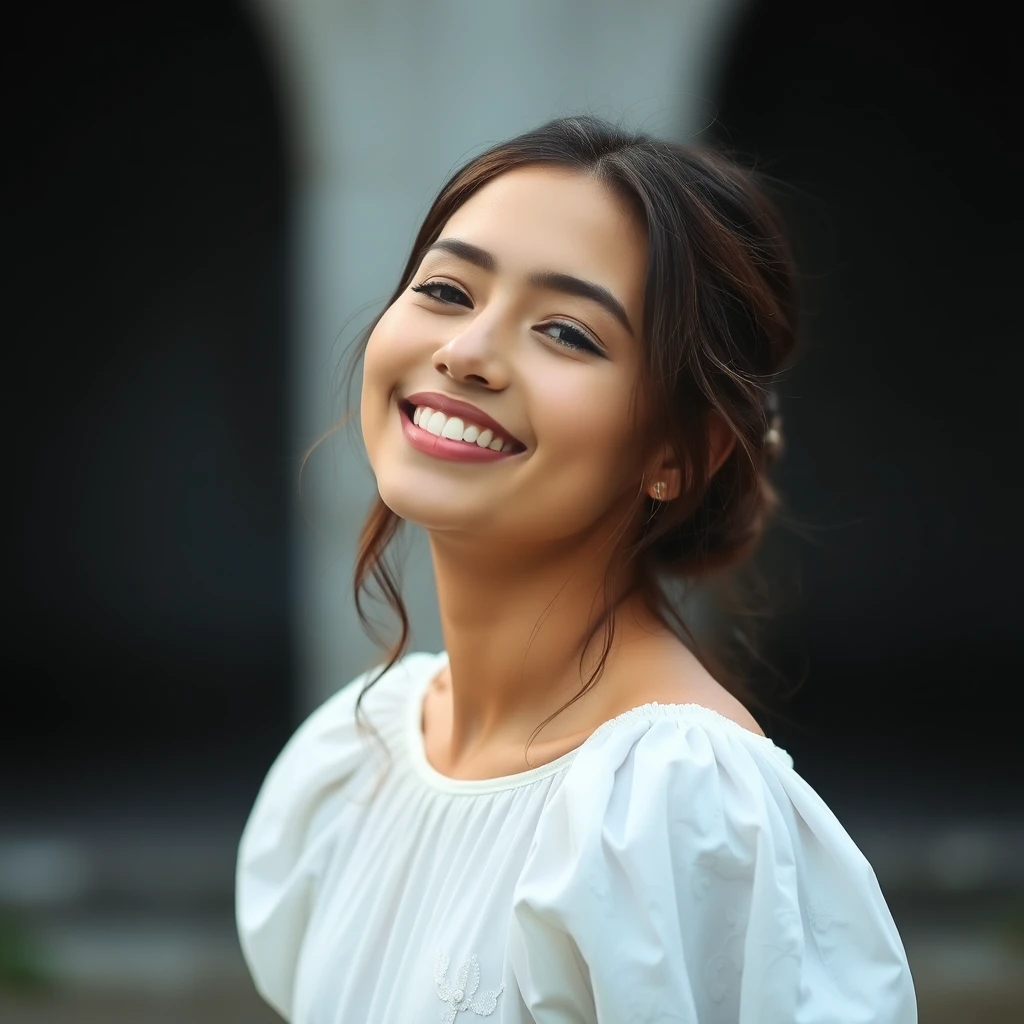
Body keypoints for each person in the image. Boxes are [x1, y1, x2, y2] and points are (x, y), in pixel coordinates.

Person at [235, 115, 918, 1022]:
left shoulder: (675, 807)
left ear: (680, 450)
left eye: (565, 332)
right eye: (445, 288)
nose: (468, 352)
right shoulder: (356, 758)